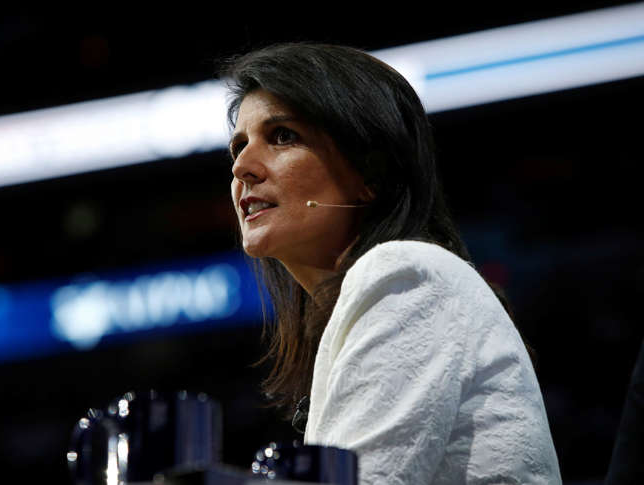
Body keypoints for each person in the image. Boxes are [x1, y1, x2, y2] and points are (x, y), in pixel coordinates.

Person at [220, 42, 561, 484]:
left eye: (283, 136)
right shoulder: (373, 296)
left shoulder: (405, 274)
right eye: (239, 146)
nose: (242, 167)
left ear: (369, 176)